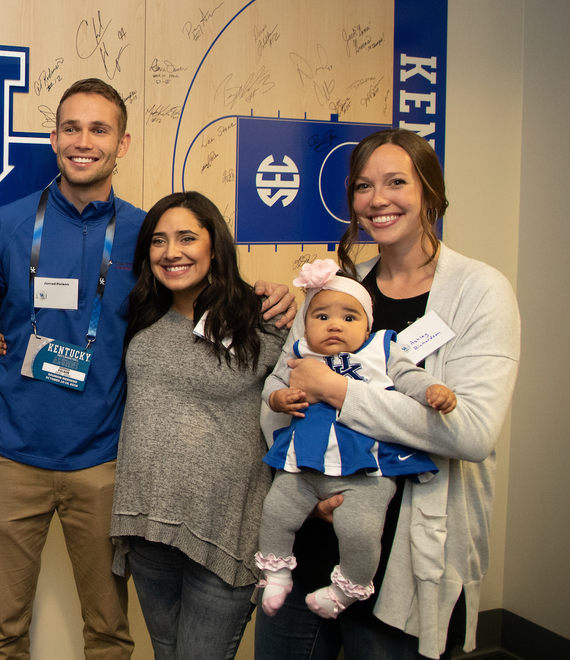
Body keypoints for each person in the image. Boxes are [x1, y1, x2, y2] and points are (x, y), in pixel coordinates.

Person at [0, 78, 295, 660]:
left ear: (123, 142)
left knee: (109, 634)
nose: (83, 141)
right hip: (9, 459)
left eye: (99, 129)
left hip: (108, 464)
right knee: (3, 633)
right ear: (54, 137)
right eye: (71, 127)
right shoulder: (7, 226)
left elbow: (204, 298)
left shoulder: (149, 235)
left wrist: (271, 293)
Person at [255, 129, 520, 659]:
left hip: (403, 556)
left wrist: (338, 392)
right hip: (308, 537)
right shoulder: (342, 288)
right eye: (363, 186)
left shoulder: (478, 291)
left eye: (396, 182)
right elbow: (278, 392)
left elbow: (469, 431)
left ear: (430, 191)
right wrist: (314, 479)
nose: (378, 200)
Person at [111, 191, 287, 660]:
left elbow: (305, 402)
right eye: (159, 241)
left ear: (215, 246)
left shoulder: (264, 319)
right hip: (148, 520)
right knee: (167, 653)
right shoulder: (142, 315)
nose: (172, 252)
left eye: (187, 238)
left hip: (224, 524)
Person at [257, 258, 456, 621]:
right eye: (321, 317)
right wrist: (277, 398)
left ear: (367, 326)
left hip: (364, 472)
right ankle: (277, 574)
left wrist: (433, 391)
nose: (335, 325)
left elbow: (410, 378)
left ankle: (346, 589)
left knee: (360, 532)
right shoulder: (301, 352)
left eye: (349, 318)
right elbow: (274, 386)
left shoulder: (381, 351)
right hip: (304, 465)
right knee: (274, 512)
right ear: (306, 325)